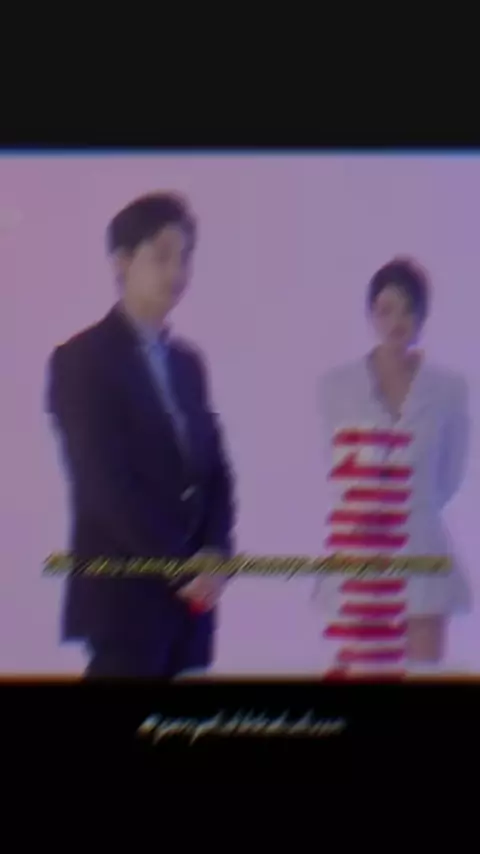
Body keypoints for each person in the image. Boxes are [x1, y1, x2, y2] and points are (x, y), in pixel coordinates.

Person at [46, 192, 236, 678]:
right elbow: (104, 487)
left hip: (191, 613)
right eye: (162, 256)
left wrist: (216, 551)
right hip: (124, 604)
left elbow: (215, 471)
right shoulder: (81, 359)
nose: (178, 271)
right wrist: (178, 565)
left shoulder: (188, 363)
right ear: (122, 262)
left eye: (185, 257)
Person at [314, 257, 471, 677]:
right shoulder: (337, 387)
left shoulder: (448, 390)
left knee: (423, 679)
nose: (397, 321)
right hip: (360, 553)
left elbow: (448, 476)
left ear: (422, 316)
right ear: (371, 314)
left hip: (421, 550)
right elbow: (337, 467)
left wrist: (409, 505)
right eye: (386, 309)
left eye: (408, 310)